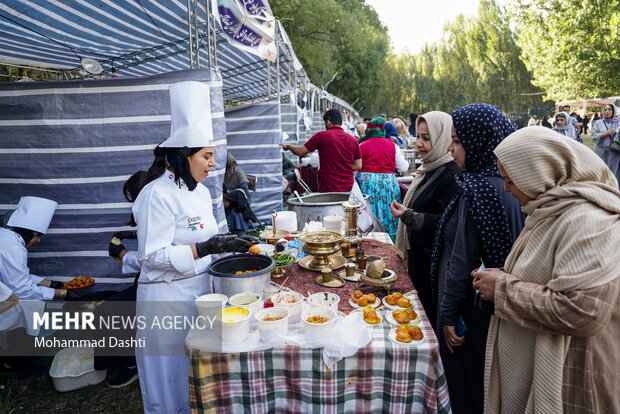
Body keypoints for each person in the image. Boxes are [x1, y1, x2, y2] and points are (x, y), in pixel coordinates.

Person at [474, 126, 620, 413]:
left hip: (575, 375)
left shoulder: (588, 220)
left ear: (538, 173)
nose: (505, 188)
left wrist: (502, 289)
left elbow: (584, 310)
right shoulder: (550, 209)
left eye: (510, 180)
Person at [132, 81, 257, 413]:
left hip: (201, 297)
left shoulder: (201, 191)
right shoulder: (155, 195)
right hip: (166, 300)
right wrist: (204, 249)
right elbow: (152, 256)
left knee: (197, 373)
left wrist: (237, 245)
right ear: (182, 157)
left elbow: (211, 237)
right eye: (207, 156)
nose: (213, 164)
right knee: (169, 376)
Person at [430, 103, 525, 413]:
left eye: (457, 140)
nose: (450, 147)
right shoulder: (507, 185)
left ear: (480, 140)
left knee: (468, 387)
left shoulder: (477, 190)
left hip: (471, 314)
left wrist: (445, 315)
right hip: (498, 311)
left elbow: (461, 261)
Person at [391, 111, 459, 328]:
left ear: (443, 139)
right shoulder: (430, 167)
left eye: (426, 138)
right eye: (418, 136)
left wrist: (408, 216)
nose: (418, 143)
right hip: (421, 260)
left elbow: (447, 223)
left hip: (432, 265)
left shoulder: (449, 174)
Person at [0, 196, 68, 301]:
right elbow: (22, 290)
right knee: (32, 303)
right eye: (38, 235)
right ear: (27, 232)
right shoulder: (14, 248)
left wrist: (51, 284)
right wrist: (63, 293)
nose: (38, 240)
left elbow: (15, 276)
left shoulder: (5, 236)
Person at [281, 109, 362, 192]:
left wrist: (288, 146)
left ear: (328, 122)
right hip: (348, 188)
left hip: (328, 188)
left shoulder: (321, 136)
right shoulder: (353, 140)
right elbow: (358, 165)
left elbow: (300, 151)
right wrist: (342, 168)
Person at [357, 116, 408, 234]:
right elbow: (403, 167)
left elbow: (354, 170)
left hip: (367, 186)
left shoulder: (362, 146)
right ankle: (391, 241)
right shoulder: (392, 145)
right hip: (387, 185)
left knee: (369, 216)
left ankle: (370, 241)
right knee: (389, 214)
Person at [591, 103, 620, 184]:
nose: (607, 111)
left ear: (613, 111)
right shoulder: (598, 123)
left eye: (609, 109)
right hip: (600, 150)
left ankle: (613, 188)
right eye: (605, 109)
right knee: (600, 170)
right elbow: (593, 136)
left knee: (614, 171)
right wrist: (606, 133)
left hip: (615, 151)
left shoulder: (618, 122)